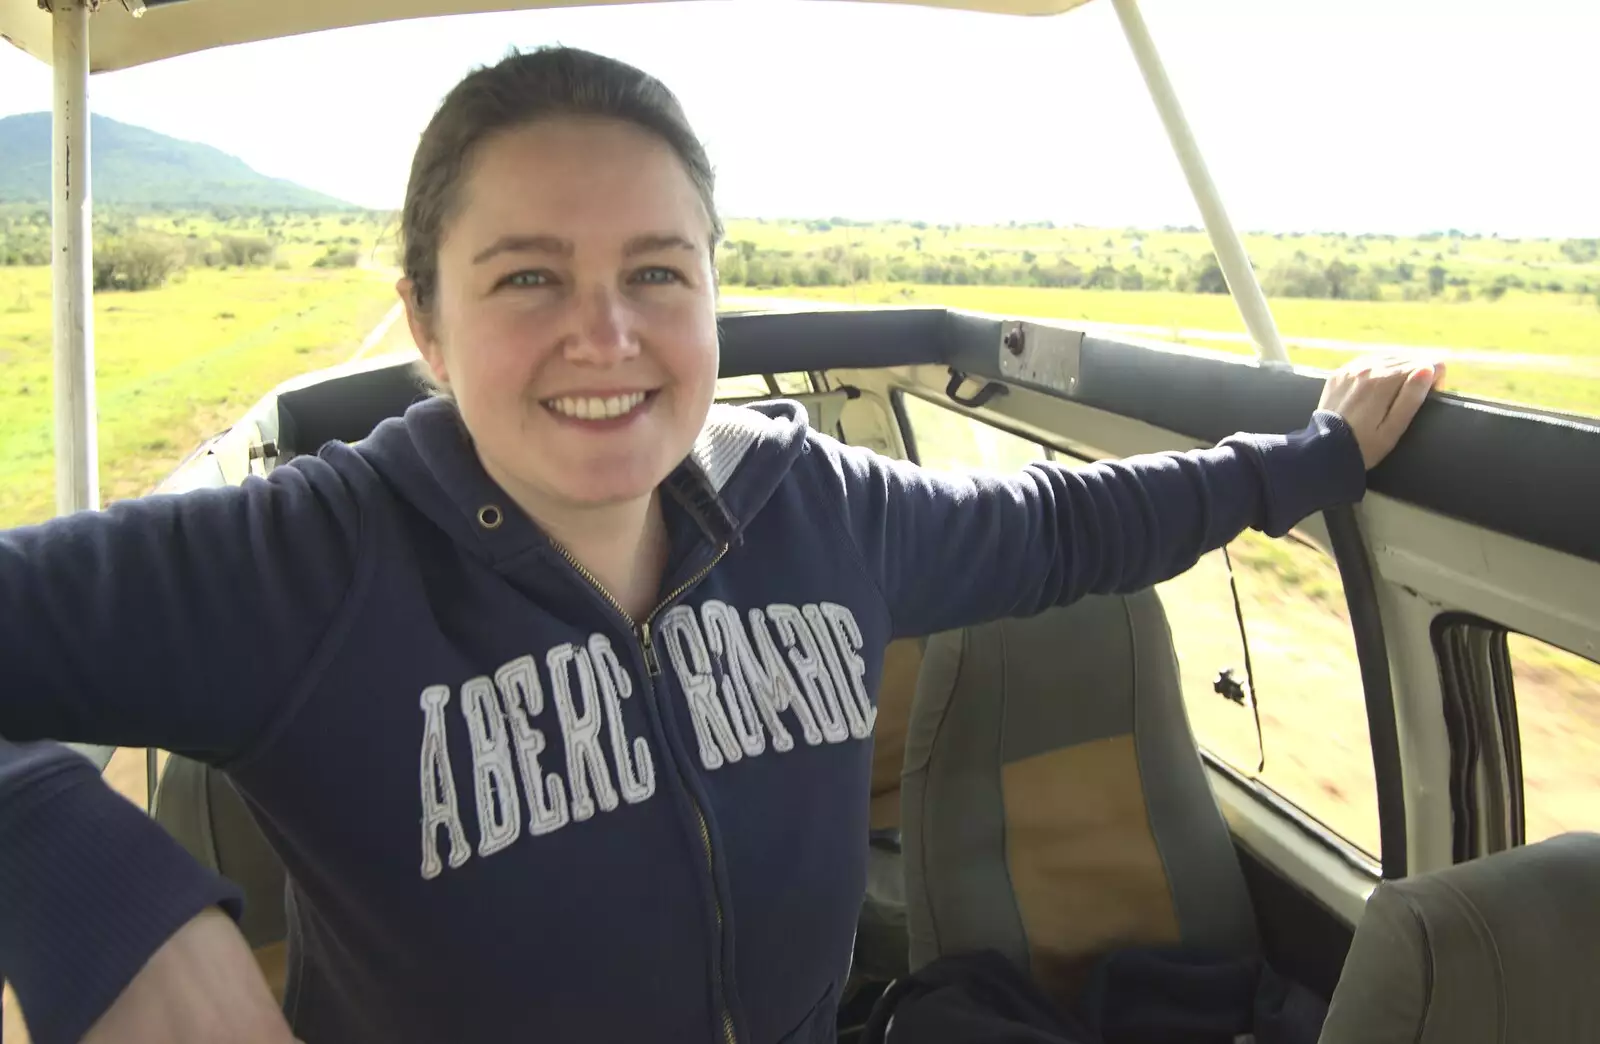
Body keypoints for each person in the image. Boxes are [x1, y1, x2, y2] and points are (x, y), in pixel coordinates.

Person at [0, 44, 1442, 1044]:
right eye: (526, 278)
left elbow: (1071, 526)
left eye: (655, 272)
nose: (605, 334)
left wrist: (1309, 458)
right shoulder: (305, 562)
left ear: (710, 297)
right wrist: (114, 910)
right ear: (427, 327)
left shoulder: (814, 508)